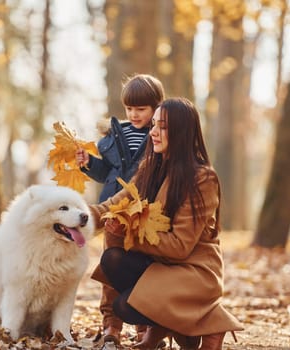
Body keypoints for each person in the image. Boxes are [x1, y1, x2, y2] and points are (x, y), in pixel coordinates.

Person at [88, 98, 244, 350]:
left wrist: (131, 232)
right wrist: (72, 216)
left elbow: (179, 247)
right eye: (153, 126)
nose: (152, 132)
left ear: (182, 132)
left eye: (162, 126)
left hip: (192, 272)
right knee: (112, 260)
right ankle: (174, 329)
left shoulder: (203, 178)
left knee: (124, 306)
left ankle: (212, 323)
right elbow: (112, 205)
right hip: (163, 266)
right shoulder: (151, 168)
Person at [76, 73, 165, 346]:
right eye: (130, 109)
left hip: (144, 213)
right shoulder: (116, 135)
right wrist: (88, 163)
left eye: (141, 109)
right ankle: (111, 327)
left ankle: (143, 328)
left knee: (141, 270)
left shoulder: (159, 135)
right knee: (111, 270)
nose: (134, 114)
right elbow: (108, 173)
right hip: (114, 212)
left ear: (155, 108)